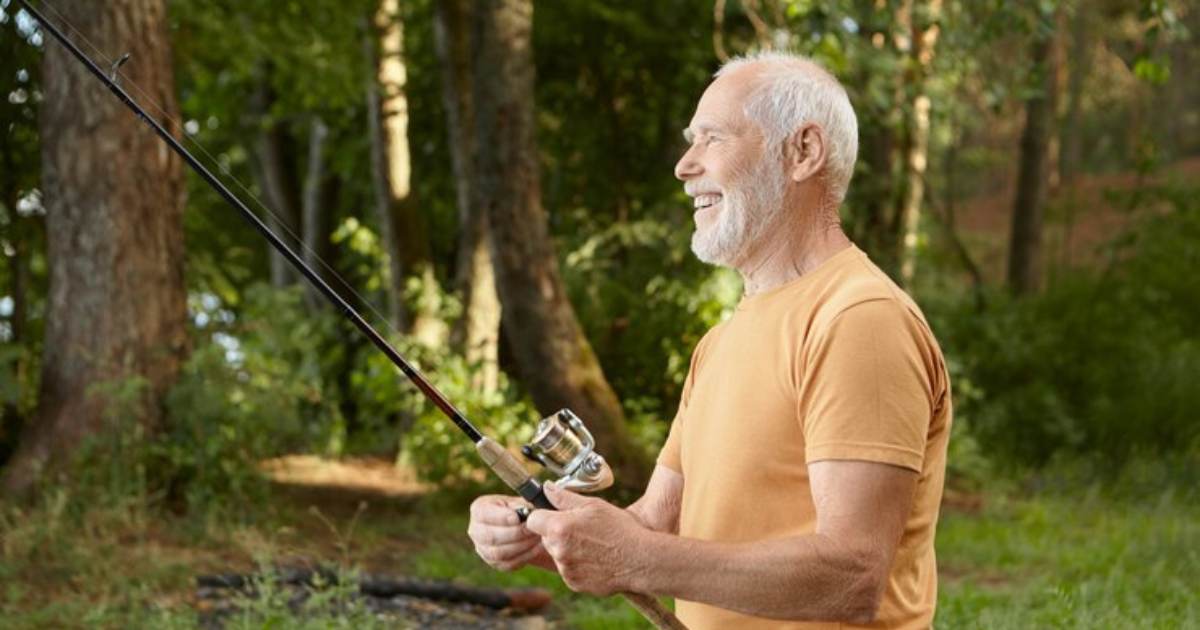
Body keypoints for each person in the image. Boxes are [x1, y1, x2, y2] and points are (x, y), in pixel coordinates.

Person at [467, 51, 952, 630]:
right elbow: (655, 527)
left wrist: (636, 557)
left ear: (803, 152)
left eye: (712, 138)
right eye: (689, 141)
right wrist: (541, 532)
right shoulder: (720, 342)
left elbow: (852, 576)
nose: (684, 166)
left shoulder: (859, 320)